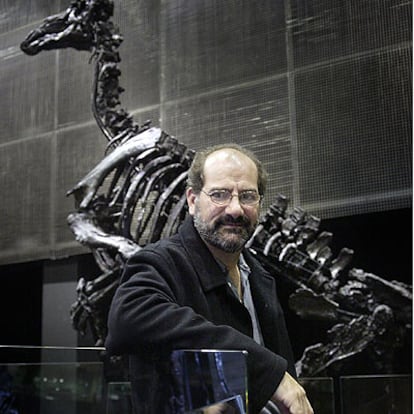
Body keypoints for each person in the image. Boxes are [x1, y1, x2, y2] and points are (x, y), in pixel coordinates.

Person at [105, 144, 314, 414]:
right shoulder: (160, 262)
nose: (236, 209)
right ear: (193, 201)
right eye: (220, 195)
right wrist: (265, 371)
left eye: (248, 196)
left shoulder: (260, 277)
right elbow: (127, 321)